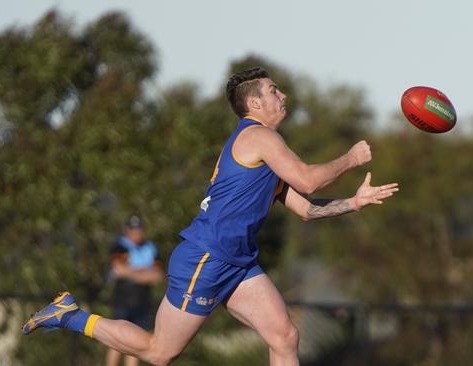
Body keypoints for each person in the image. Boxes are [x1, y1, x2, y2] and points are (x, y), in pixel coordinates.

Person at [23, 67, 399, 366]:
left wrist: (353, 202)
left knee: (285, 336)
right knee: (160, 352)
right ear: (254, 102)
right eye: (273, 91)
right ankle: (69, 316)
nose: (282, 95)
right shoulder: (257, 137)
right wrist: (351, 158)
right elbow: (308, 180)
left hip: (237, 263)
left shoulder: (268, 153)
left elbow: (306, 208)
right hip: (206, 257)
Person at [106, 215, 164, 366]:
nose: (136, 234)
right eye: (133, 231)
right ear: (126, 231)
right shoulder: (120, 246)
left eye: (139, 230)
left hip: (142, 302)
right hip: (123, 301)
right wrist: (145, 271)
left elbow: (157, 276)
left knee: (135, 344)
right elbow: (119, 269)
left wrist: (131, 272)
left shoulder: (150, 248)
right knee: (116, 342)